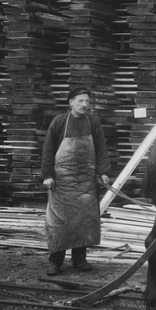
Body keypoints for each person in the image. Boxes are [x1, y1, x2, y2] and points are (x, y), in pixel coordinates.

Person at [42, 86, 111, 275]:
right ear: (71, 102)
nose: (84, 104)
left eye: (87, 101)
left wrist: (104, 172)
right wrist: (47, 176)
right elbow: (48, 150)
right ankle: (55, 262)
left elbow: (101, 149)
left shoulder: (93, 122)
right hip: (62, 182)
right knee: (59, 221)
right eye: (80, 101)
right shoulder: (59, 122)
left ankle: (79, 260)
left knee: (83, 221)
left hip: (86, 181)